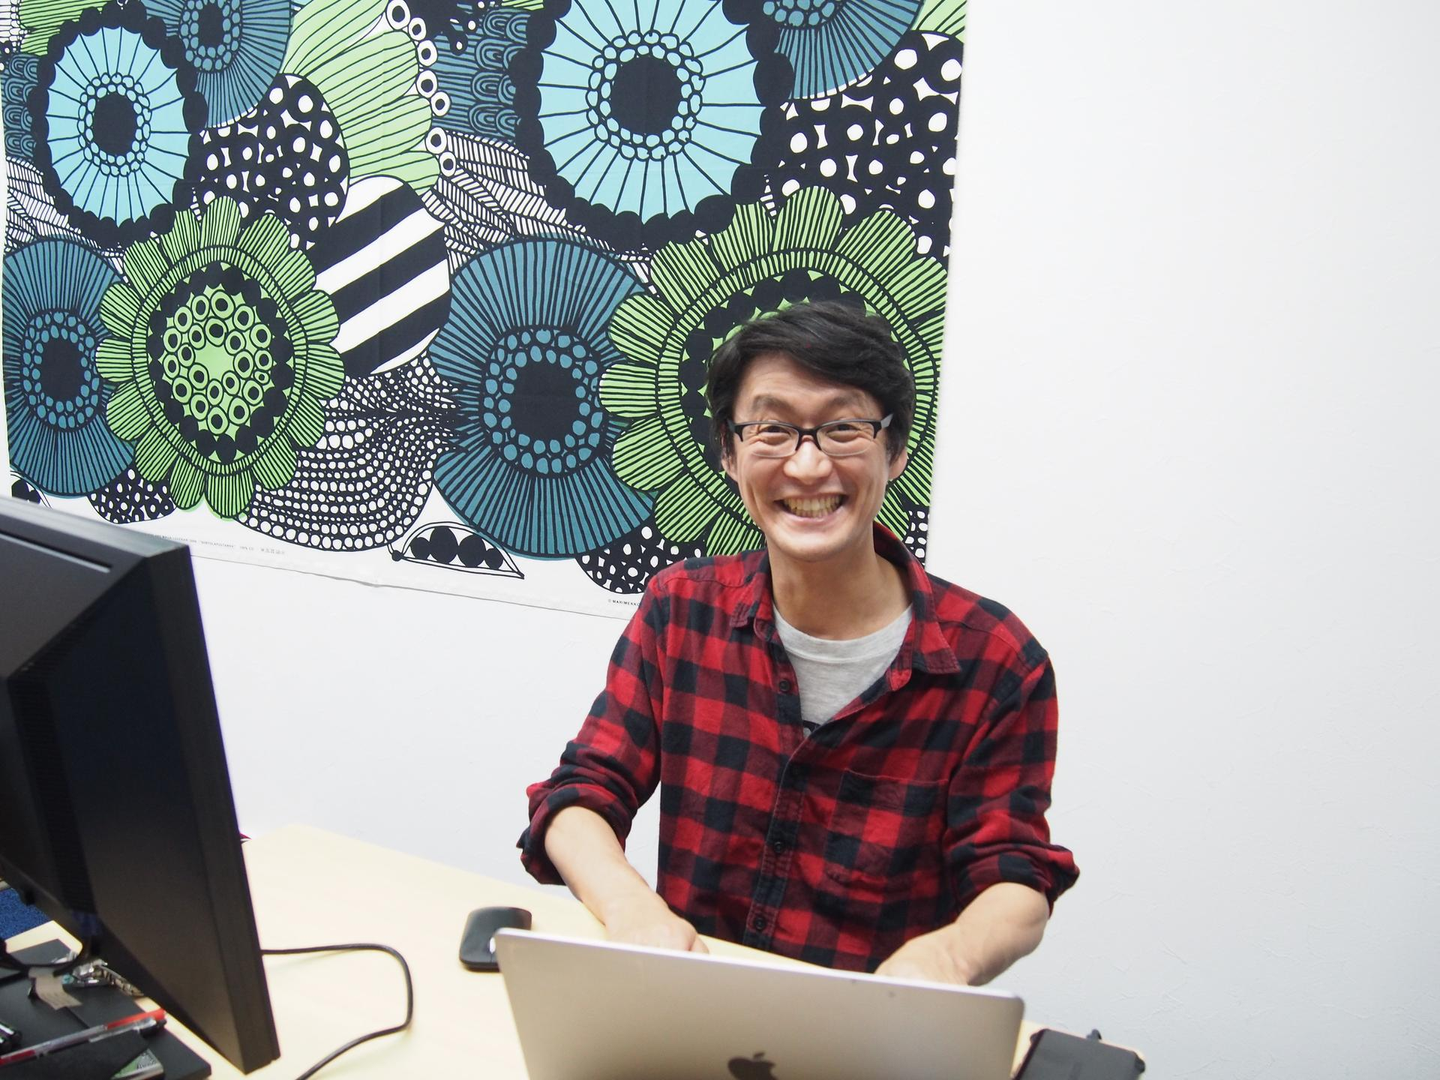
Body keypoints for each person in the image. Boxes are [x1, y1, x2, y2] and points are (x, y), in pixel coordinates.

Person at [519, 301, 1077, 984]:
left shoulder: (997, 661)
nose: (808, 467)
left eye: (843, 428)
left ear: (896, 450)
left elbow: (1013, 875)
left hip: (870, 1024)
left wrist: (945, 958)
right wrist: (632, 910)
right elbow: (580, 794)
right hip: (689, 1003)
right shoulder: (681, 610)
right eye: (773, 430)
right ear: (729, 453)